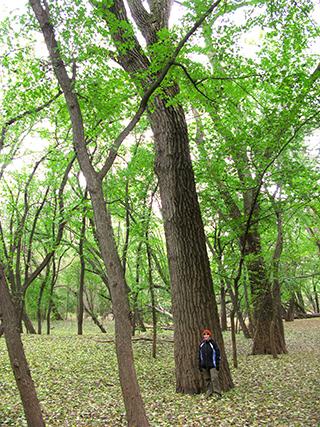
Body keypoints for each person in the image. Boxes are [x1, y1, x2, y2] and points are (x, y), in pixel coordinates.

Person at [198, 328, 222, 398]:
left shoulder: (213, 344)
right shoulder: (201, 344)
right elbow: (199, 355)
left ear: (210, 336)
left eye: (207, 335)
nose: (206, 336)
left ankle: (217, 393)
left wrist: (217, 365)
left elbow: (218, 354)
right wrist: (200, 364)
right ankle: (209, 392)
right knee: (207, 379)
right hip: (204, 365)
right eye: (204, 335)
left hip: (212, 365)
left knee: (214, 378)